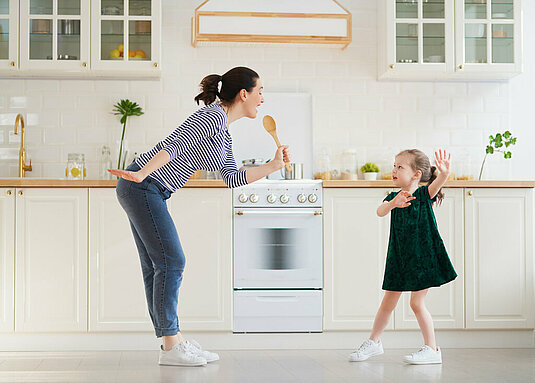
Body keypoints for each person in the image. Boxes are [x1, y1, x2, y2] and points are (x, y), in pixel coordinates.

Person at [108, 67, 290, 367]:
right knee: (171, 261)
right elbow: (174, 145)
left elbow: (232, 177)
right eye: (260, 93)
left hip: (149, 188)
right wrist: (142, 173)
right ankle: (171, 344)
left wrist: (272, 166)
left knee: (159, 265)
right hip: (143, 185)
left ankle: (172, 342)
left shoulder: (223, 131)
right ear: (244, 94)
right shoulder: (212, 116)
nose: (261, 100)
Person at [349, 149, 457, 365]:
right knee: (387, 303)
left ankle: (432, 349)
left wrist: (444, 174)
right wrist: (392, 204)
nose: (394, 170)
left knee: (417, 304)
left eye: (400, 166)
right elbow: (380, 211)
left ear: (416, 174)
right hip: (399, 258)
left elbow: (438, 184)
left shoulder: (424, 195)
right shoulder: (394, 197)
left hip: (422, 258)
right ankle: (374, 343)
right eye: (394, 165)